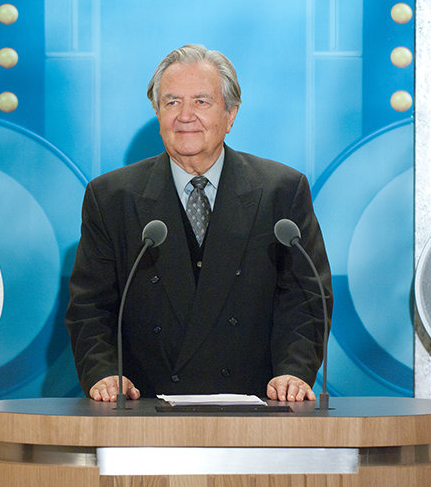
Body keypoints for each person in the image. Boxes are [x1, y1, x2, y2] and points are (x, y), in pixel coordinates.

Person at [65, 44, 332, 403]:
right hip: (145, 409)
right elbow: (90, 306)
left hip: (257, 407)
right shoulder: (111, 197)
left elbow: (306, 298)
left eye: (201, 102)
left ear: (230, 114)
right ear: (158, 113)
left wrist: (294, 372)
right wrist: (103, 373)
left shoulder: (281, 191)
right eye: (172, 102)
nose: (185, 116)